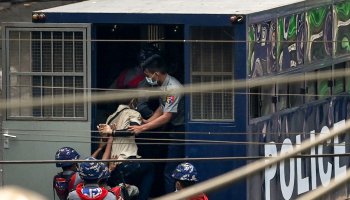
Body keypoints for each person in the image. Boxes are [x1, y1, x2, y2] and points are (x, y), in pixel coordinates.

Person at [128, 44, 185, 193]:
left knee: (170, 171)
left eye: (148, 75)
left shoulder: (173, 88)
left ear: (156, 74)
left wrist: (142, 128)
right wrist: (149, 121)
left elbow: (167, 116)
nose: (147, 79)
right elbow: (162, 107)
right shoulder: (163, 84)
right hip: (173, 129)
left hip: (179, 130)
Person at [98, 99, 154, 200]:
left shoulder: (110, 118)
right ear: (132, 101)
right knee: (150, 168)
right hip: (129, 163)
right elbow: (133, 130)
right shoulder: (133, 113)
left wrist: (106, 134)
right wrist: (113, 132)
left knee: (123, 195)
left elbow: (103, 144)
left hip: (115, 167)